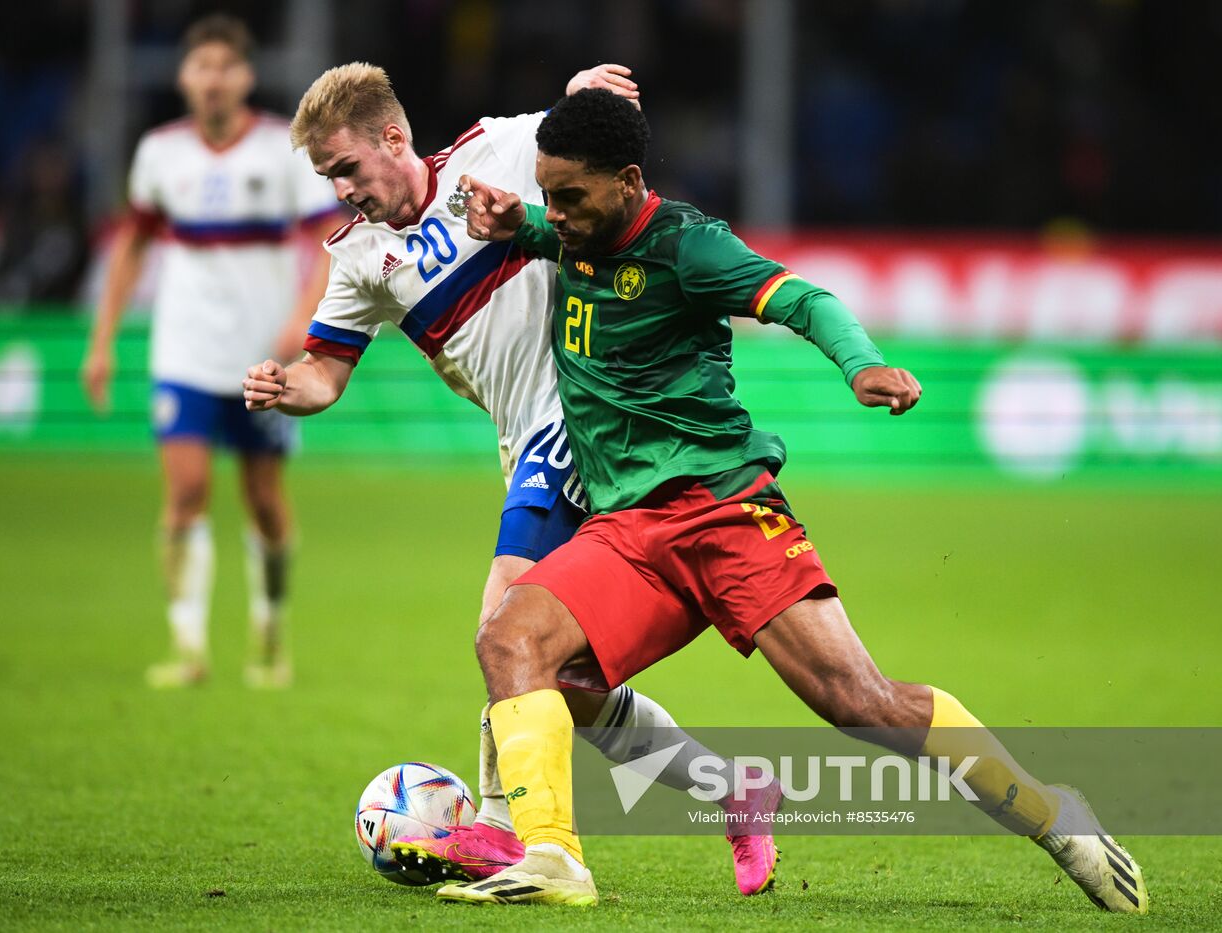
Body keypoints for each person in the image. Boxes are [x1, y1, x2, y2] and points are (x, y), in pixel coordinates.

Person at [439, 88, 1149, 911]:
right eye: (545, 193)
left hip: (723, 514)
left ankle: (1052, 814)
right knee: (513, 642)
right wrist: (515, 221)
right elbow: (553, 228)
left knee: (862, 703)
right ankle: (553, 856)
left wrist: (862, 365)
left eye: (568, 197)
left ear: (629, 181)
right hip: (628, 530)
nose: (554, 213)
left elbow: (805, 299)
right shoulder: (576, 231)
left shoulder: (691, 248)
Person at [242, 63, 783, 896]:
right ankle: (735, 792)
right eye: (328, 178)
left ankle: (501, 825)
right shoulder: (357, 258)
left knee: (503, 620)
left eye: (347, 167)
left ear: (395, 138)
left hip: (574, 415)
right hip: (521, 444)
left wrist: (576, 92)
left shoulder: (493, 150)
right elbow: (326, 371)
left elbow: (572, 139)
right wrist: (289, 385)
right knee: (565, 681)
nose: (344, 190)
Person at [82, 14, 342, 689]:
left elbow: (329, 239)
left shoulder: (282, 150)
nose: (215, 79)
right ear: (184, 77)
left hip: (263, 359)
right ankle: (188, 644)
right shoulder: (160, 153)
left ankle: (269, 630)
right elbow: (132, 247)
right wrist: (102, 341)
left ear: (247, 77)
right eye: (203, 67)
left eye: (227, 66)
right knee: (187, 490)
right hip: (185, 352)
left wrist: (304, 318)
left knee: (263, 500)